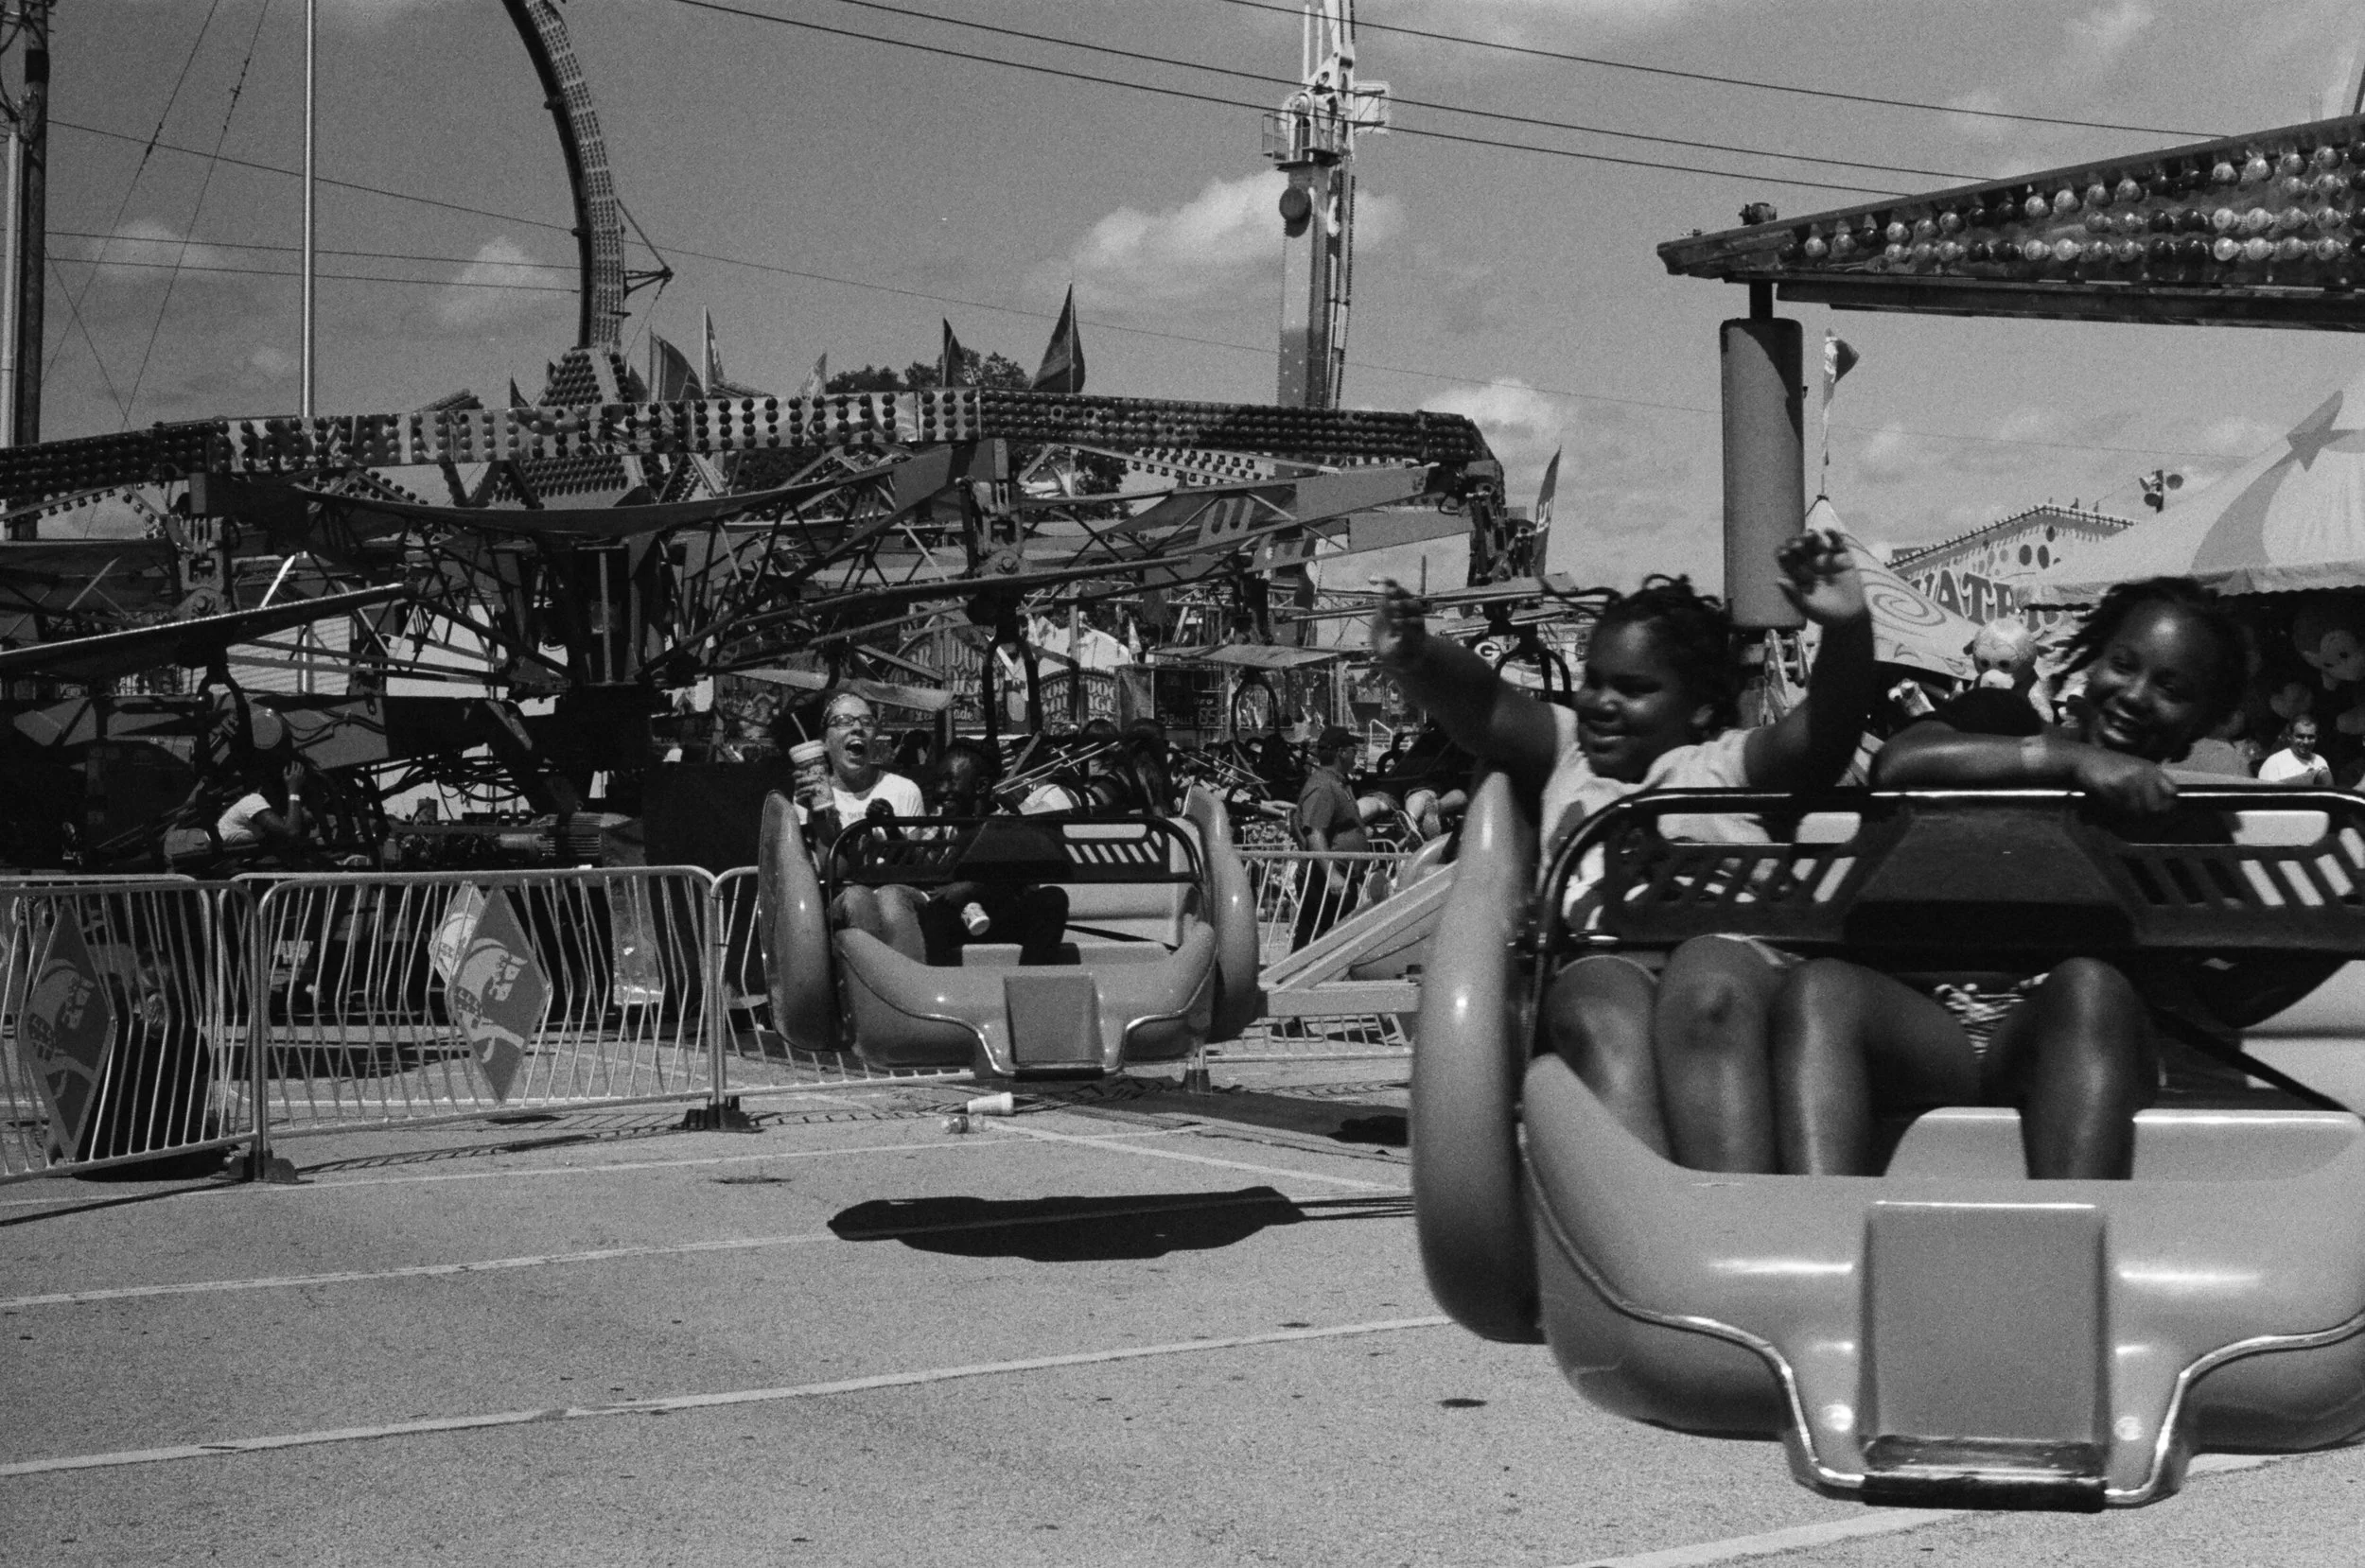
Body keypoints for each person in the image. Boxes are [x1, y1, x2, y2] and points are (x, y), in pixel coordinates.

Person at [1371, 530, 1875, 1167]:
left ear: (1698, 710)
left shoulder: (1721, 766)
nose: (1602, 703)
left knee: (1707, 983)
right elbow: (1485, 702)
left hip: (1733, 978)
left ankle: (1735, 1217)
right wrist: (1419, 658)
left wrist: (1848, 631)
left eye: (1633, 689)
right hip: (1606, 966)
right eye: (1594, 682)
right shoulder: (1566, 756)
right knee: (1598, 1002)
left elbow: (1821, 738)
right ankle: (1649, 1219)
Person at [1768, 576, 2253, 1180]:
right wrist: (2072, 761)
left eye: (2170, 688)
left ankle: (2073, 1250)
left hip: (2058, 1034)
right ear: (2093, 664)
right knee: (1821, 989)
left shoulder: (2188, 829)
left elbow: (2230, 989)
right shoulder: (2001, 718)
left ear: (2202, 719)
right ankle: (1818, 1243)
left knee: (2088, 989)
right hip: (1926, 1029)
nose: (2134, 694)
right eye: (2122, 665)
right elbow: (1901, 764)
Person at [1291, 726, 1371, 950]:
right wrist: (1331, 874)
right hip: (1324, 879)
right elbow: (1314, 833)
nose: (1356, 755)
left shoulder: (1337, 783)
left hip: (1340, 876)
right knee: (1316, 938)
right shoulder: (1324, 786)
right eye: (1353, 750)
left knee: (1322, 939)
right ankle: (1296, 978)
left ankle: (1297, 978)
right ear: (1342, 753)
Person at [819, 692, 924, 819]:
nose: (858, 727)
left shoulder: (905, 791)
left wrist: (892, 829)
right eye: (844, 721)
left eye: (867, 722)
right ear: (824, 740)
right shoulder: (812, 794)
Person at [2258, 716, 2333, 787]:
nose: (2306, 742)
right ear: (2290, 737)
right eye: (2300, 736)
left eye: (2311, 737)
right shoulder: (2274, 763)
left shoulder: (2320, 761)